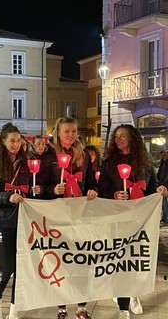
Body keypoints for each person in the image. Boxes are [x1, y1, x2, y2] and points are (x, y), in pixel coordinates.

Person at [98, 124, 168, 319]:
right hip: (117, 217)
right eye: (116, 136)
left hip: (140, 217)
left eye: (123, 136)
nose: (118, 139)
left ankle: (134, 293)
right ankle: (123, 300)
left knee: (136, 256)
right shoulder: (109, 162)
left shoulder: (144, 162)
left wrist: (159, 191)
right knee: (120, 257)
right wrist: (113, 194)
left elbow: (153, 185)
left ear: (132, 139)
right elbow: (101, 187)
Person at [0, 122, 38, 319]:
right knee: (7, 267)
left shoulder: (27, 161)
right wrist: (7, 197)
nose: (16, 144)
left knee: (21, 269)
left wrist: (34, 191)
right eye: (12, 141)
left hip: (23, 221)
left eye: (19, 140)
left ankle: (14, 308)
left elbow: (31, 187)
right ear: (3, 142)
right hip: (3, 221)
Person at [46, 117, 98, 319]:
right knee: (61, 260)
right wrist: (53, 189)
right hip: (58, 214)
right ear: (58, 133)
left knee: (82, 259)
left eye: (74, 131)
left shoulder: (83, 155)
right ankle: (61, 307)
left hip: (80, 214)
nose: (71, 135)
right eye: (67, 131)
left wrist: (93, 190)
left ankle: (81, 306)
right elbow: (40, 183)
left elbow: (91, 181)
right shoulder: (49, 155)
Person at [157, 150, 168, 225]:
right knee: (164, 203)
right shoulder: (163, 162)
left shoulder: (166, 163)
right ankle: (165, 218)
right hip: (163, 185)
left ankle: (166, 218)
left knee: (165, 203)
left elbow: (164, 175)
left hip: (165, 186)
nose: (163, 156)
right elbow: (160, 174)